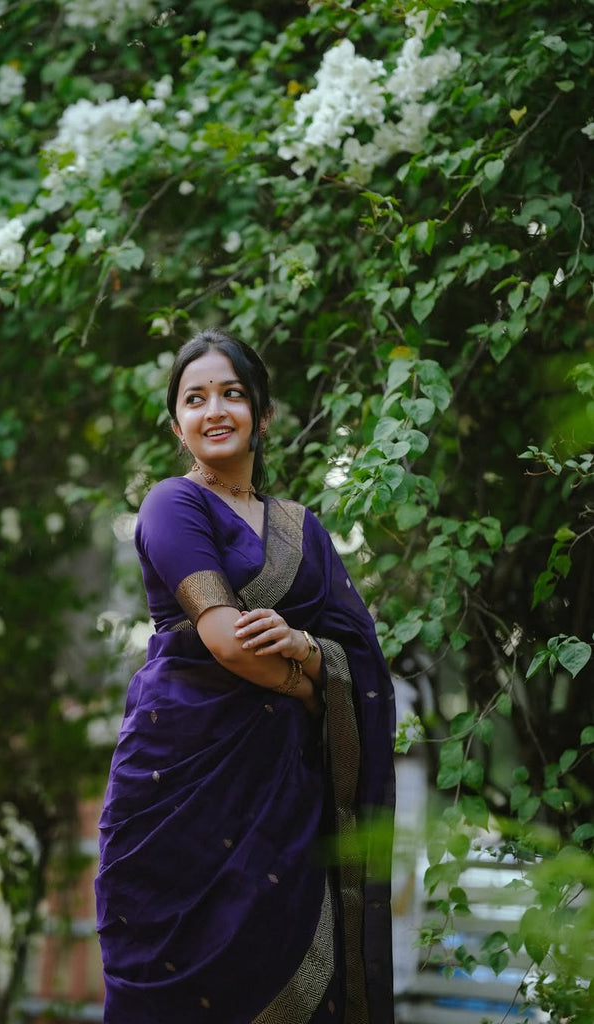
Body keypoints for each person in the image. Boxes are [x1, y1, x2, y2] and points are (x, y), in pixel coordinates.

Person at [95, 328, 396, 1023]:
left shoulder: (302, 530)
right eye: (194, 398)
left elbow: (353, 650)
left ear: (263, 415)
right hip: (179, 785)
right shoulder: (173, 503)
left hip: (280, 793)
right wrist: (309, 684)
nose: (214, 410)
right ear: (177, 426)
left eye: (231, 393)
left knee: (280, 958)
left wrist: (309, 650)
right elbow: (228, 642)